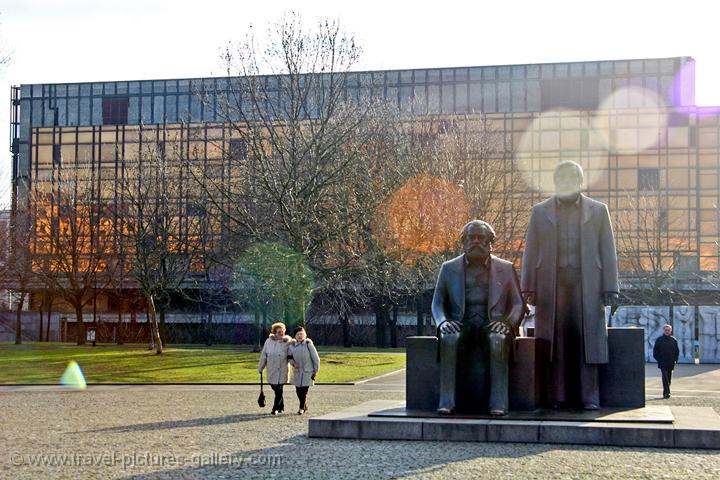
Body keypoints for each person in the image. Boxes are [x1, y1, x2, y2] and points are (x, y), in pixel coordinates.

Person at [521, 160, 619, 410]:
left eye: (571, 178)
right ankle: (558, 395)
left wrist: (611, 287)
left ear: (580, 181)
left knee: (588, 339)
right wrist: (528, 286)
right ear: (555, 182)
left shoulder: (598, 210)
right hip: (550, 285)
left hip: (588, 284)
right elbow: (531, 250)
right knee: (556, 340)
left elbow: (607, 251)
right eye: (562, 178)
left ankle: (590, 396)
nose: (567, 182)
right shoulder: (540, 211)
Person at [431, 220, 525, 416]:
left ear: (490, 242)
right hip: (461, 322)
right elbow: (437, 303)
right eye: (471, 238)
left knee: (497, 339)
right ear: (463, 241)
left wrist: (507, 324)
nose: (475, 242)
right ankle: (447, 400)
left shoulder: (506, 268)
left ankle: (498, 402)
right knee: (449, 337)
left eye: (481, 238)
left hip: (492, 323)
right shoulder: (448, 268)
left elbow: (518, 304)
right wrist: (443, 322)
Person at [257, 322, 293, 415]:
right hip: (272, 370)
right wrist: (261, 367)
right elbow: (264, 355)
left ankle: (275, 408)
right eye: (279, 332)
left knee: (279, 389)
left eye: (282, 332)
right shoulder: (268, 342)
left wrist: (295, 364)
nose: (281, 334)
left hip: (282, 369)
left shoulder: (288, 343)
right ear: (274, 332)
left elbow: (291, 355)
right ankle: (281, 406)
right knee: (275, 387)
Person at [289, 326, 320, 415]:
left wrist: (315, 370)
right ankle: (304, 405)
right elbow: (289, 357)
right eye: (298, 334)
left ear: (305, 335)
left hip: (308, 371)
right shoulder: (292, 346)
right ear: (295, 336)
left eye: (301, 334)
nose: (300, 336)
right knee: (298, 390)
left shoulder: (308, 344)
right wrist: (293, 363)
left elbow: (316, 358)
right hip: (297, 372)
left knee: (304, 391)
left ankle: (301, 407)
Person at [653, 324, 679, 399]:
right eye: (666, 330)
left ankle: (667, 391)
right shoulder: (659, 340)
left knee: (669, 378)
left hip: (671, 362)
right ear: (663, 330)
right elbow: (655, 352)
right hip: (662, 362)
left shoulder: (673, 340)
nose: (667, 331)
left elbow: (677, 351)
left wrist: (675, 360)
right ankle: (666, 393)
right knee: (665, 377)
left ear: (671, 331)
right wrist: (659, 360)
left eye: (668, 330)